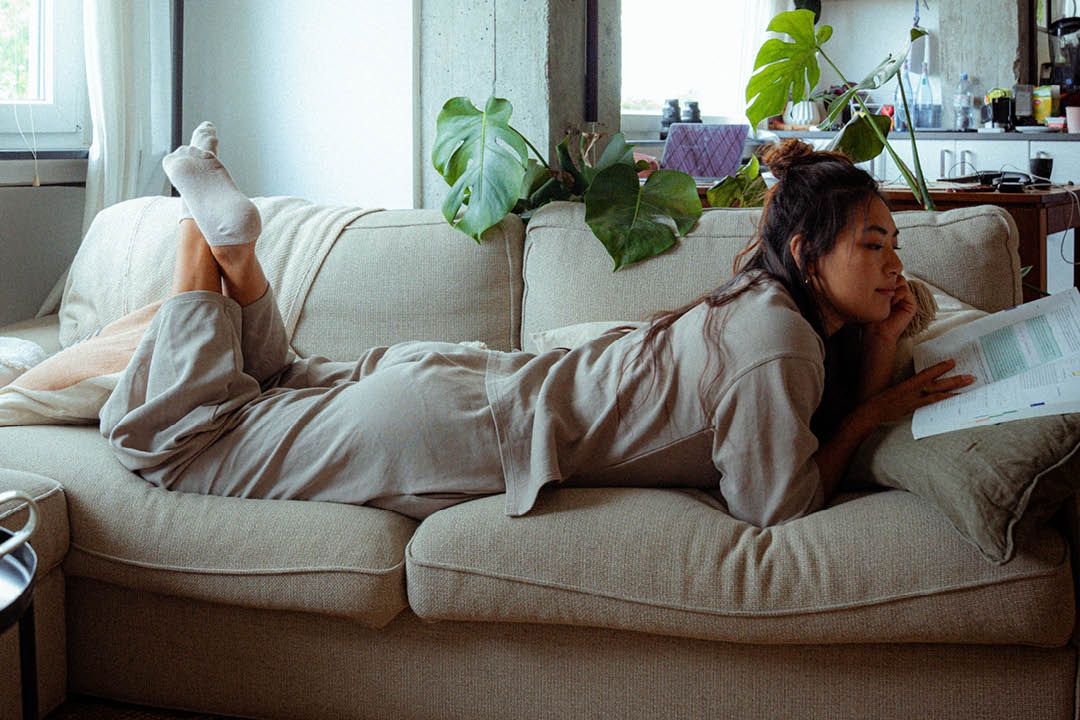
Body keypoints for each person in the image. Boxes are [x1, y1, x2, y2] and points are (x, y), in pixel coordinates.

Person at [99, 129, 973, 526]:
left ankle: (230, 253)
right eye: (873, 244)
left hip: (463, 391)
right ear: (807, 252)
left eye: (895, 244)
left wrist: (878, 351)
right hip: (451, 430)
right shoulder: (778, 345)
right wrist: (872, 410)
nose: (895, 266)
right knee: (171, 447)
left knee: (273, 385)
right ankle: (197, 244)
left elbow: (797, 431)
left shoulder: (758, 302)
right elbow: (774, 504)